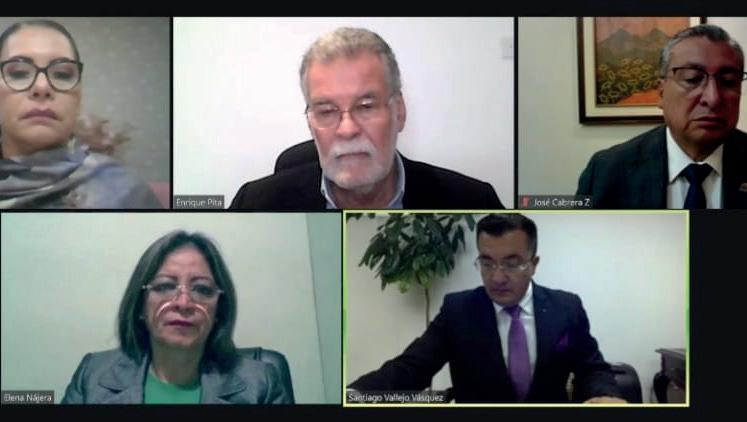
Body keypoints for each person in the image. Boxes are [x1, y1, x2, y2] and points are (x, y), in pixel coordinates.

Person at [348, 214, 624, 403]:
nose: (497, 277)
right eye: (487, 262)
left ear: (534, 264)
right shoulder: (458, 311)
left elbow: (592, 368)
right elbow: (411, 368)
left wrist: (606, 396)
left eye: (512, 263)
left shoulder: (566, 308)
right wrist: (354, 396)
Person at [229, 27, 504, 210]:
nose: (347, 130)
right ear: (310, 123)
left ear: (399, 111)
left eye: (365, 107)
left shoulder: (473, 201)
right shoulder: (254, 204)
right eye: (326, 111)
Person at [61, 231, 293, 404]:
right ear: (140, 306)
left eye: (202, 289)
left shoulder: (261, 383)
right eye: (164, 286)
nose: (183, 303)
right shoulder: (92, 374)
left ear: (219, 310)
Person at [577, 24, 747, 209]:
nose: (713, 98)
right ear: (661, 93)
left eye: (728, 81)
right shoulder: (605, 172)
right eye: (692, 79)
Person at [0, 19, 162, 209]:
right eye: (18, 73)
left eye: (62, 74)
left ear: (78, 98)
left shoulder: (126, 194)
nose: (42, 86)